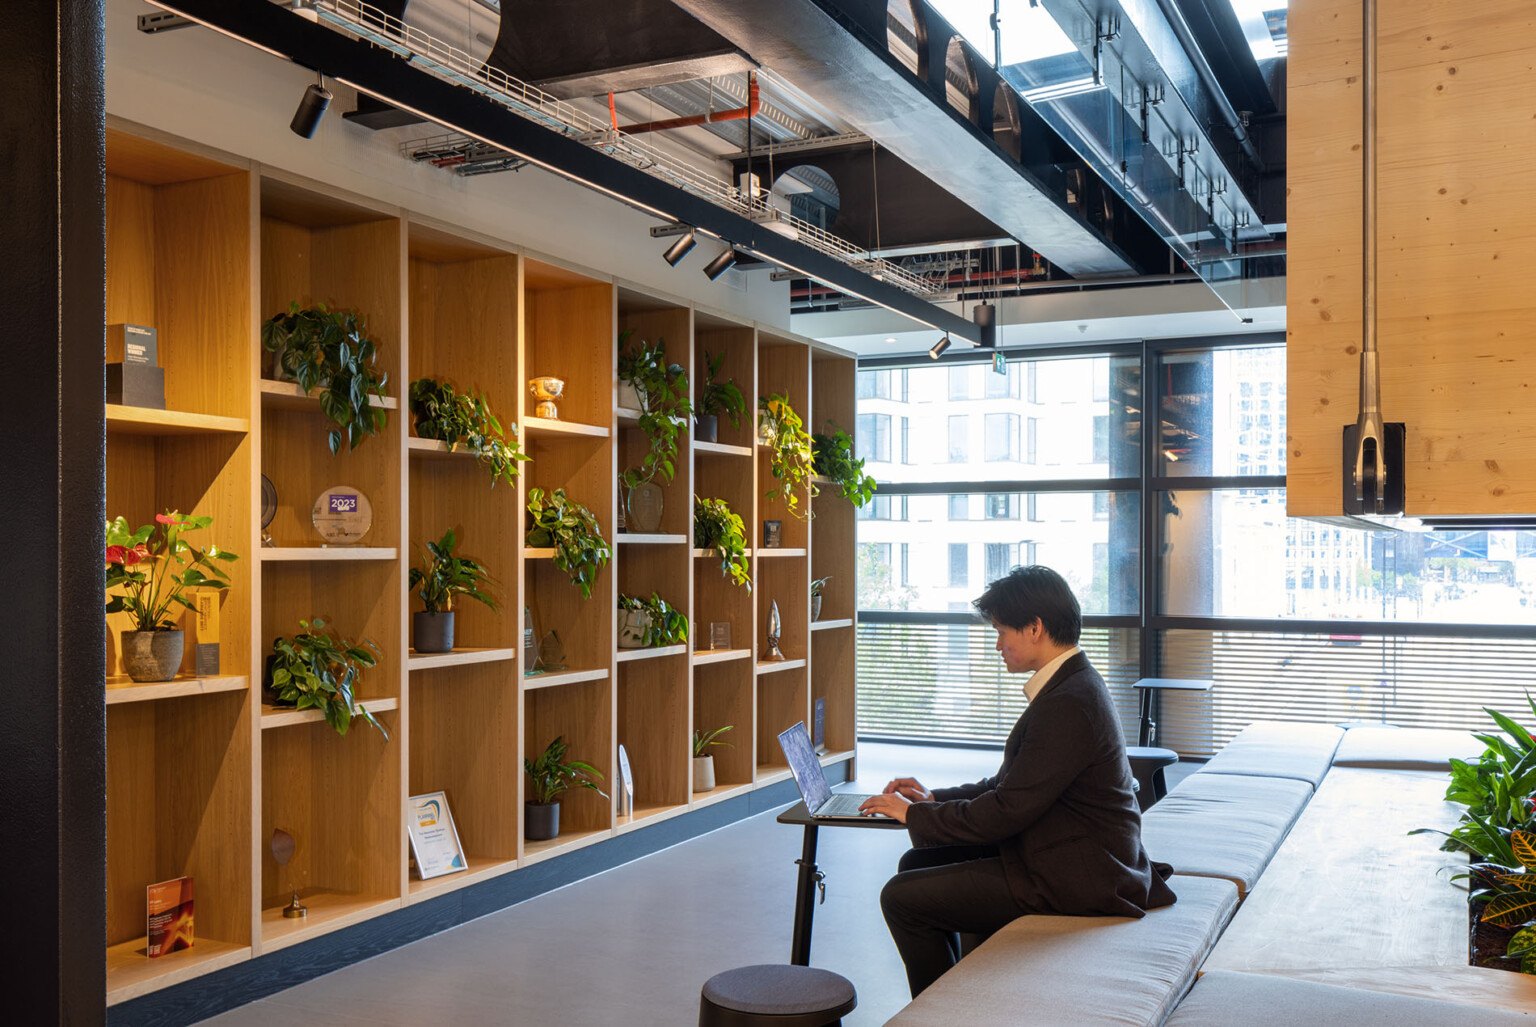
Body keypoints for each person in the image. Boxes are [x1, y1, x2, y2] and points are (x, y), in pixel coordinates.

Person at [859, 565, 1175, 997]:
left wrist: (916, 814)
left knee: (901, 898)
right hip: (1067, 850)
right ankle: (959, 999)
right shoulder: (1071, 685)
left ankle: (938, 1015)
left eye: (1002, 630)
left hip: (1079, 877)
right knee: (918, 864)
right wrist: (932, 799)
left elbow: (1007, 810)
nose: (997, 644)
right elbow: (1010, 784)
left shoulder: (1069, 703)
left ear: (1034, 628)